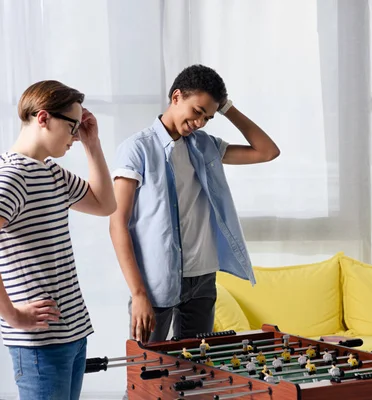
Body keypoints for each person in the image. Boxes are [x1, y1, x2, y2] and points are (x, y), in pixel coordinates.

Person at [110, 64, 280, 345]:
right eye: (197, 111)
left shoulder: (205, 146)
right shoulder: (137, 149)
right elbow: (118, 225)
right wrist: (138, 294)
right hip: (155, 280)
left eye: (209, 117)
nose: (200, 122)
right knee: (146, 374)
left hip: (201, 277)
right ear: (176, 97)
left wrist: (227, 108)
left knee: (197, 373)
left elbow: (267, 151)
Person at [0, 80, 116, 400]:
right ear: (43, 118)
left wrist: (93, 144)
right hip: (39, 343)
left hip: (73, 334)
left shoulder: (51, 173)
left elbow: (106, 205)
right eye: (72, 126)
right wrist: (11, 314)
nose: (75, 136)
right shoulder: (12, 176)